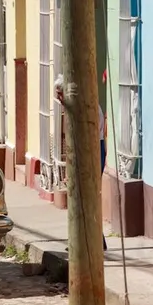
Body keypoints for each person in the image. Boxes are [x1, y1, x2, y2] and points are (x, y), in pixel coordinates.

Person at [53, 74, 106, 251]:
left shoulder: (84, 107)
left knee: (86, 197)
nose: (58, 98)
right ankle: (92, 240)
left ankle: (90, 241)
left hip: (91, 151)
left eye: (60, 94)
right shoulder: (77, 107)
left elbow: (85, 137)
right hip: (88, 151)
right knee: (84, 198)